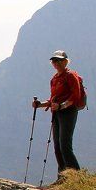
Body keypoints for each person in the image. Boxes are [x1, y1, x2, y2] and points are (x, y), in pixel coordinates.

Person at [33, 50, 81, 178]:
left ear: (65, 61)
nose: (56, 63)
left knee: (65, 144)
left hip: (68, 112)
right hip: (57, 113)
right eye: (54, 61)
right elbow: (53, 100)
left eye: (59, 60)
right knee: (57, 146)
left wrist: (62, 105)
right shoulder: (54, 79)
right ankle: (63, 177)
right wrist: (40, 104)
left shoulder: (71, 76)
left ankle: (77, 176)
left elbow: (76, 96)